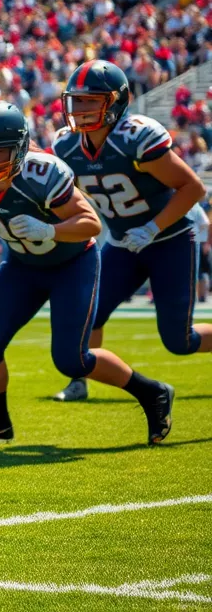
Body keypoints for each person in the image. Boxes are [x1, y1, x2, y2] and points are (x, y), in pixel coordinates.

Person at [0, 101, 174, 445]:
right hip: (23, 267)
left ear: (21, 148)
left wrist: (49, 230)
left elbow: (91, 223)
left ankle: (152, 392)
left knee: (72, 360)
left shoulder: (44, 174)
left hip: (72, 263)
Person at [49, 60, 212, 403]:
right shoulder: (66, 146)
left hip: (171, 238)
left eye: (90, 100)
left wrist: (153, 228)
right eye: (75, 100)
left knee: (179, 341)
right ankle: (80, 380)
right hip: (123, 241)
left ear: (115, 102)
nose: (79, 109)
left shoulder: (134, 138)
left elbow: (193, 188)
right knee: (88, 314)